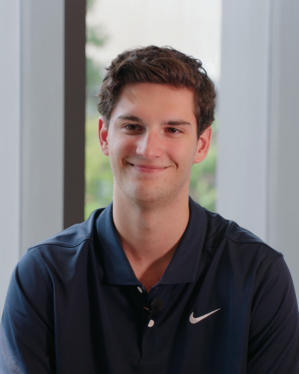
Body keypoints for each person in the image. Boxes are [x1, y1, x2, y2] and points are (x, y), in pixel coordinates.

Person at [0, 46, 298, 374]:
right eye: (132, 126)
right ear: (104, 136)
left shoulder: (258, 275)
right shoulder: (43, 277)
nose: (149, 149)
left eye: (173, 129)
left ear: (201, 144)